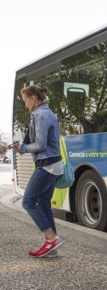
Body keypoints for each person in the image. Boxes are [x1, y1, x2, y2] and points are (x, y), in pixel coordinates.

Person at [14, 85, 64, 258]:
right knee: (43, 205)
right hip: (53, 164)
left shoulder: (41, 115)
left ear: (33, 100)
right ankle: (53, 248)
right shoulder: (43, 113)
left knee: (28, 202)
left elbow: (40, 145)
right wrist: (19, 145)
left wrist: (23, 148)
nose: (25, 105)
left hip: (47, 165)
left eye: (25, 101)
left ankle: (52, 239)